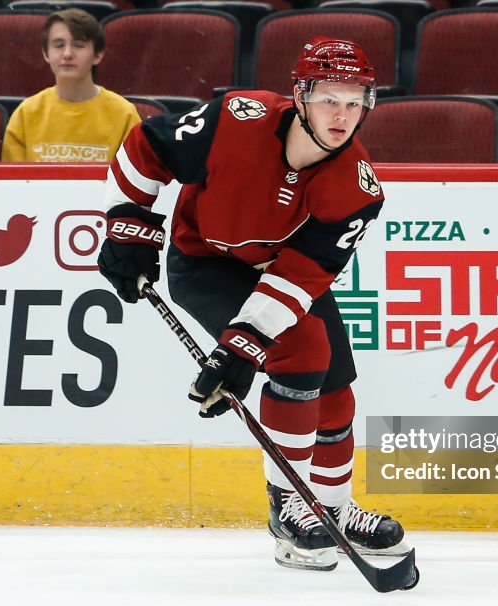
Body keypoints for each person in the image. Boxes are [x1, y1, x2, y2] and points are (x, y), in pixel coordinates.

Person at [97, 37, 410, 572]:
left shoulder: (358, 189)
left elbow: (302, 275)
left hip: (277, 273)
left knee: (335, 383)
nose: (344, 114)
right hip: (203, 263)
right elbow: (146, 146)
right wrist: (130, 228)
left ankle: (332, 509)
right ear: (301, 95)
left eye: (356, 100)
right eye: (331, 97)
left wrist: (242, 346)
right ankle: (289, 507)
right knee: (305, 347)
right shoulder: (236, 118)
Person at [1, 9, 140, 162]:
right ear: (46, 54)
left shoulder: (124, 114)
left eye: (78, 45)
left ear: (98, 55)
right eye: (59, 45)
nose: (67, 54)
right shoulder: (25, 114)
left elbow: (134, 180)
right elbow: (13, 182)